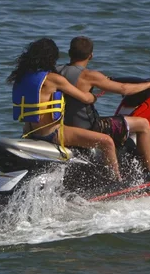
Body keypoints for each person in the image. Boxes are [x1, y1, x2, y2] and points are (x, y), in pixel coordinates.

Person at [8, 37, 122, 181]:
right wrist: (94, 97)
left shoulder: (21, 77)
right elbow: (85, 98)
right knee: (107, 142)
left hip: (29, 132)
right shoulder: (54, 79)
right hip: (52, 133)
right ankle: (116, 181)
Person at [56, 36, 150, 172]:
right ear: (91, 55)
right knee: (143, 124)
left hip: (65, 126)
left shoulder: (56, 71)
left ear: (70, 53)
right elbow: (124, 89)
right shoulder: (90, 75)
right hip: (89, 127)